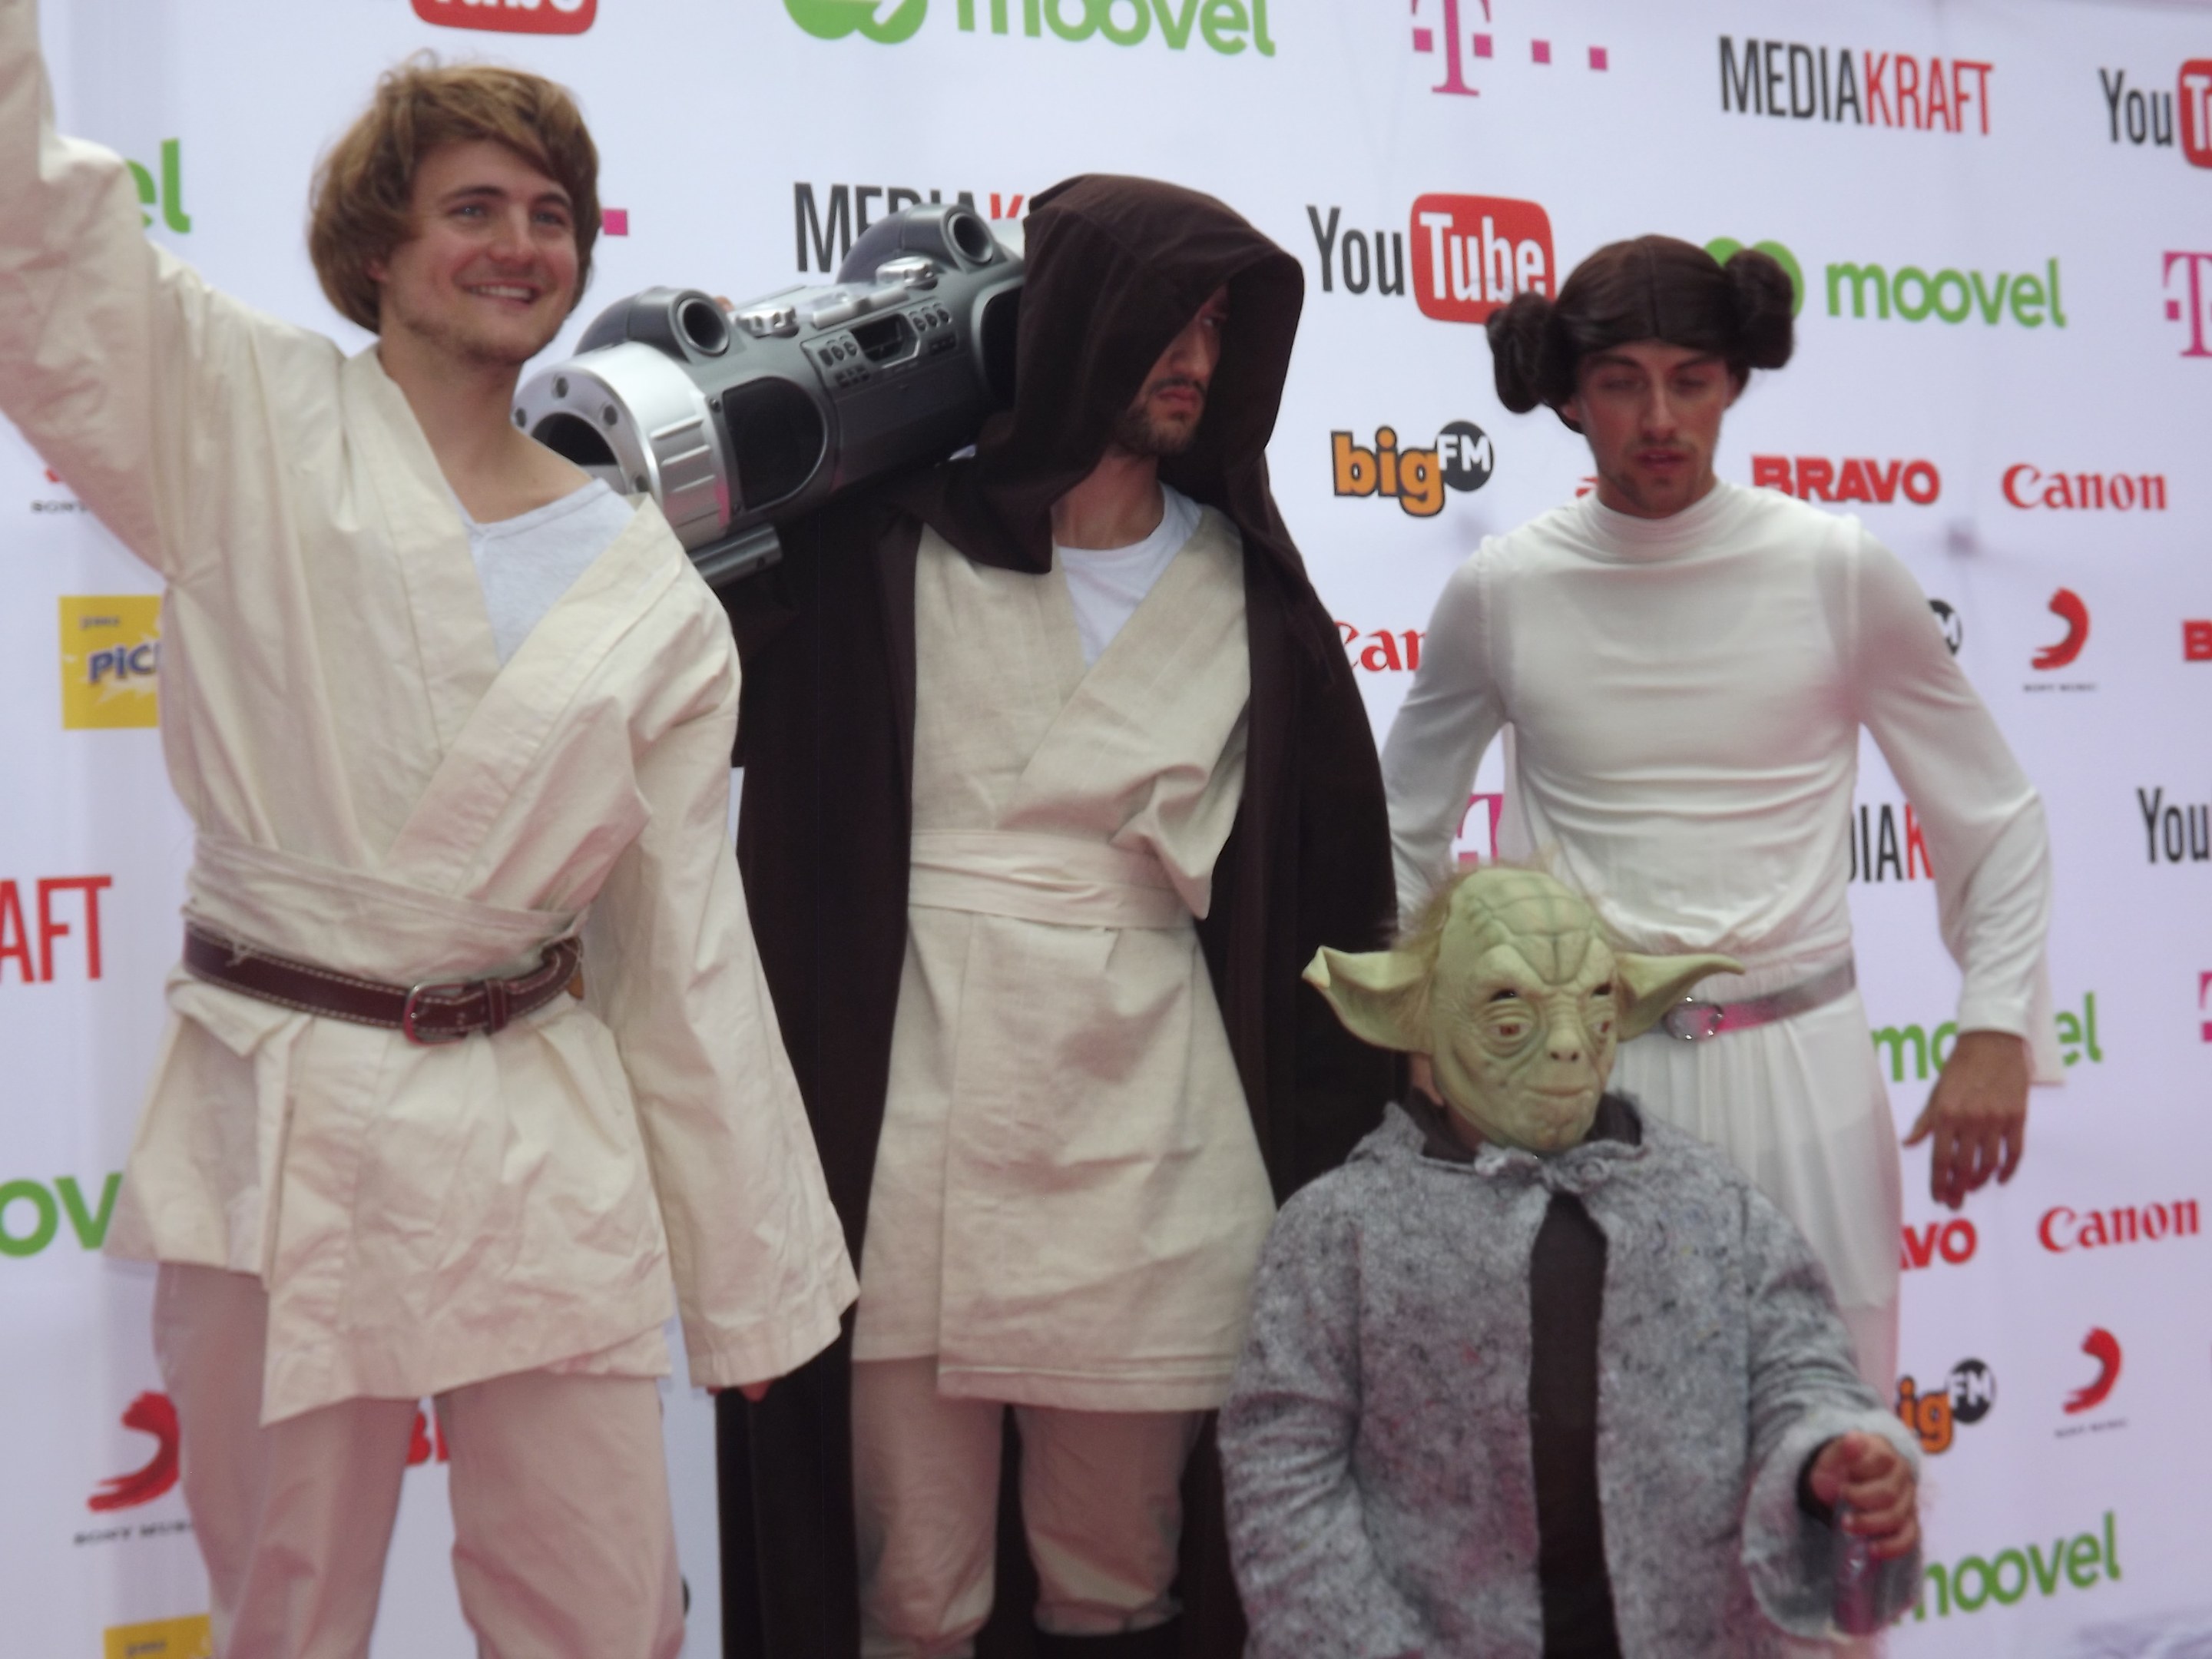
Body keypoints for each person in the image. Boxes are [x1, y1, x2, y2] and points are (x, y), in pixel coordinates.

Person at [0, 10, 855, 1656]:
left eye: (549, 214)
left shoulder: (649, 593)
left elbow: (680, 959)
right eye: (472, 207)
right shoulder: (238, 417)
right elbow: (37, 242)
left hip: (540, 1119)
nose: (517, 245)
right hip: (285, 1110)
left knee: (607, 1615)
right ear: (378, 248)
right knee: (288, 1611)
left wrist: (746, 1283)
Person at [720, 175, 1397, 1658]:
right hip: (908, 1127)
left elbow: (1334, 923)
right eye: (1167, 318)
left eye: (1221, 330)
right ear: (1076, 314)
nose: (1195, 361)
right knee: (912, 1589)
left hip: (1153, 1134)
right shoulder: (877, 553)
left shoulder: (1253, 600)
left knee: (1121, 1578)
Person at [1380, 235, 2058, 1389]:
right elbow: (1400, 824)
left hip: (1811, 1074)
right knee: (1596, 1459)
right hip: (1582, 1080)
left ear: (1735, 381)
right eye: (1619, 381)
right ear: (1566, 395)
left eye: (1690, 378)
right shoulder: (1502, 593)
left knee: (1834, 1445)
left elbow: (1995, 814)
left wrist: (1997, 1023)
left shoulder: (1833, 569)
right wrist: (1428, 1035)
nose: (1658, 416)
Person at [1220, 864, 1924, 1658]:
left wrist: (1829, 1458)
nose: (1564, 1046)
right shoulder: (1341, 1231)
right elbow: (1281, 1475)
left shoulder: (1706, 1200)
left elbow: (1803, 1370)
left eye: (1593, 1006)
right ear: (1416, 1016)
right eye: (1508, 1010)